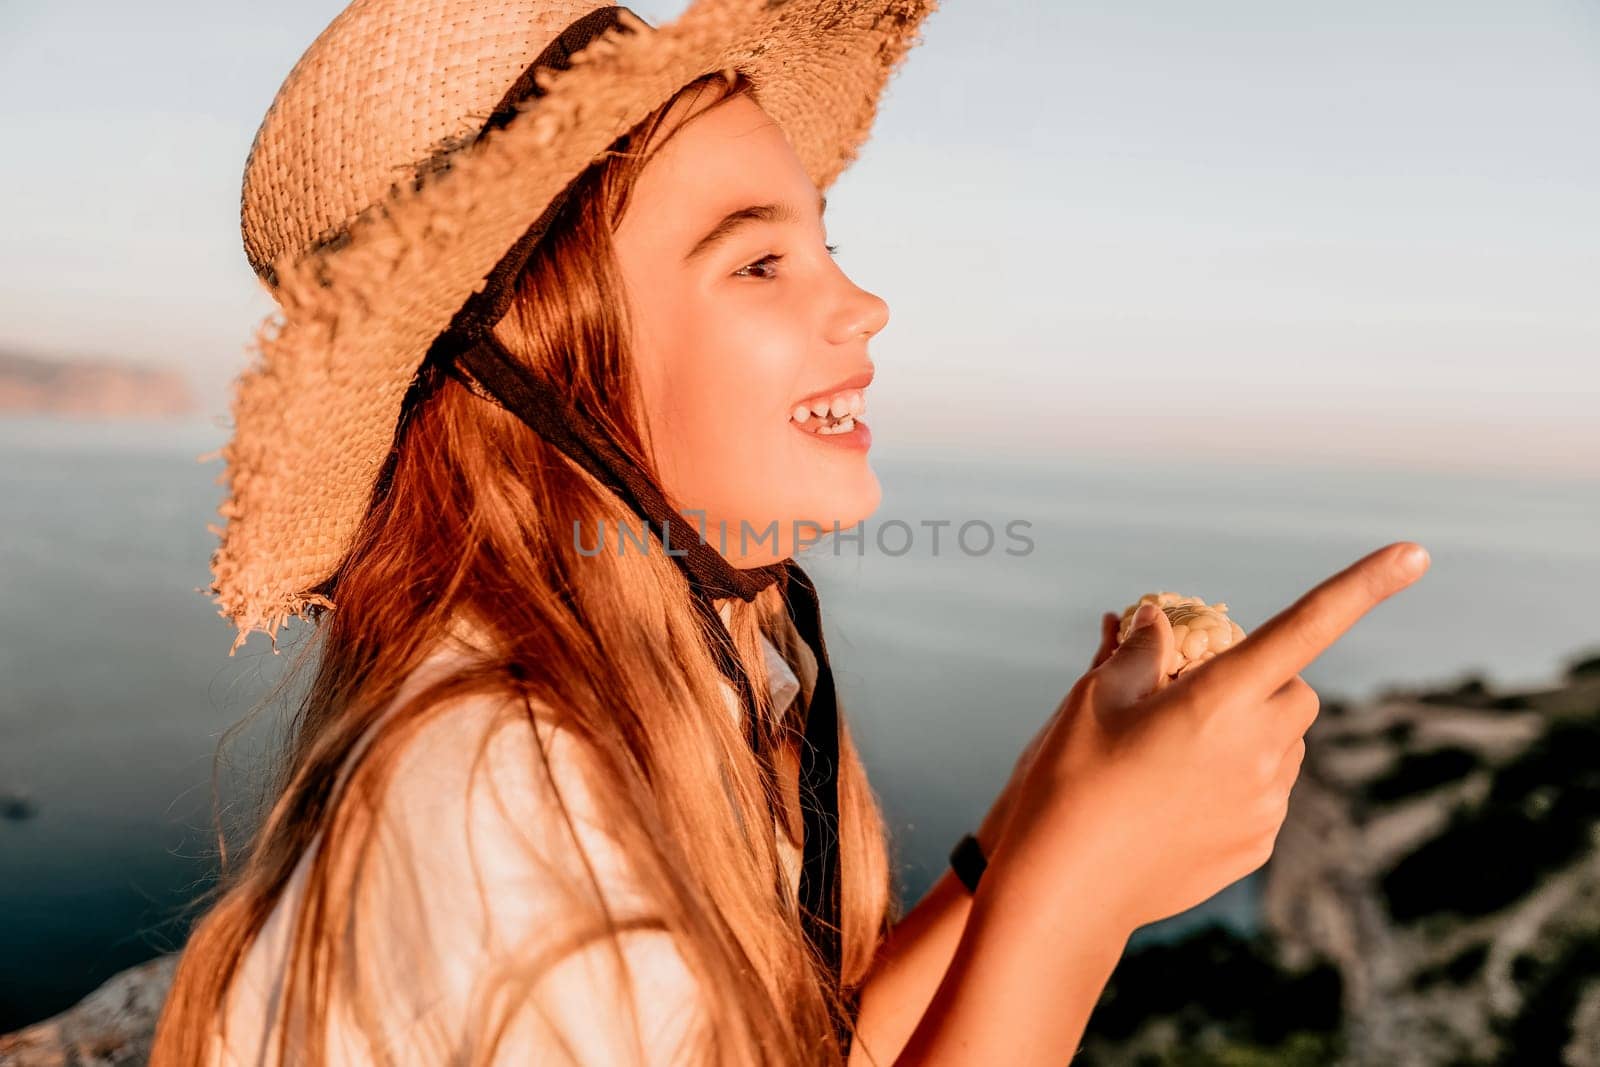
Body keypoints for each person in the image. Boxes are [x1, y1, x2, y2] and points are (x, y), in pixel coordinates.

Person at [152, 1, 1432, 1064]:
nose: (865, 303)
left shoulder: (664, 680)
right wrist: (1080, 894)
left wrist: (1026, 828)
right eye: (759, 262)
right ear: (547, 360)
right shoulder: (507, 815)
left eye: (828, 244)